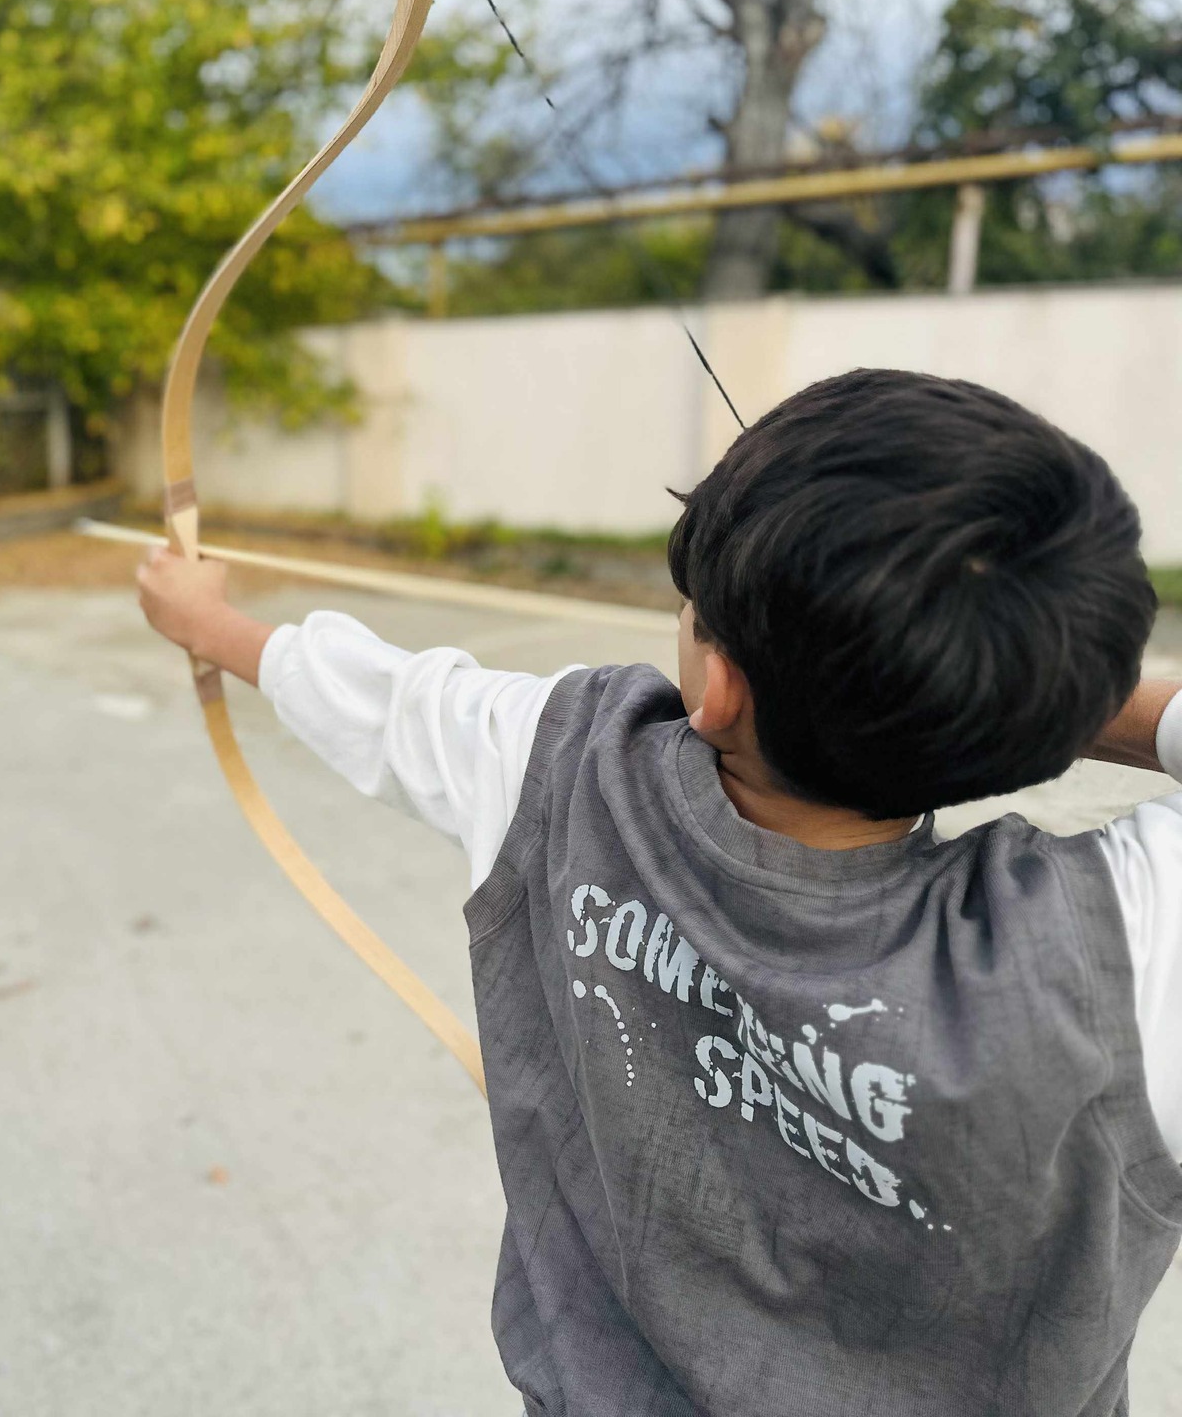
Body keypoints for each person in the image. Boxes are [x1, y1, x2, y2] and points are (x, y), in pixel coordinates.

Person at [134, 369, 1182, 1416]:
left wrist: (203, 621)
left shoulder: (563, 767)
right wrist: (1009, 691)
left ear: (719, 689)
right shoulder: (1122, 960)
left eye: (692, 614)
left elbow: (381, 700)